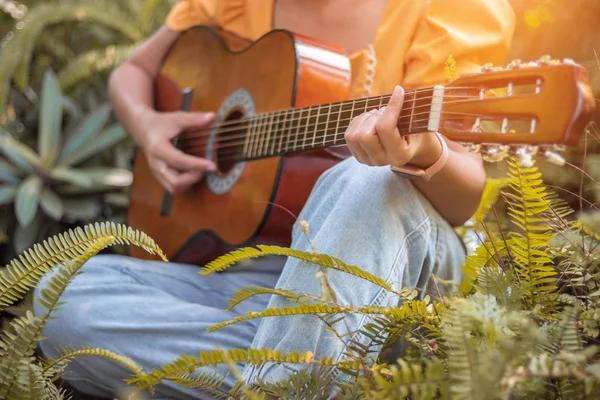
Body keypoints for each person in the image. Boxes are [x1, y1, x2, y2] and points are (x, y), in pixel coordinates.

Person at [34, 0, 515, 398]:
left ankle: (288, 373)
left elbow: (464, 198)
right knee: (60, 294)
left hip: (396, 277)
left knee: (367, 181)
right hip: (262, 281)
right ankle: (306, 370)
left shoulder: (447, 9)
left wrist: (425, 151)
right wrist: (147, 125)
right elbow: (133, 71)